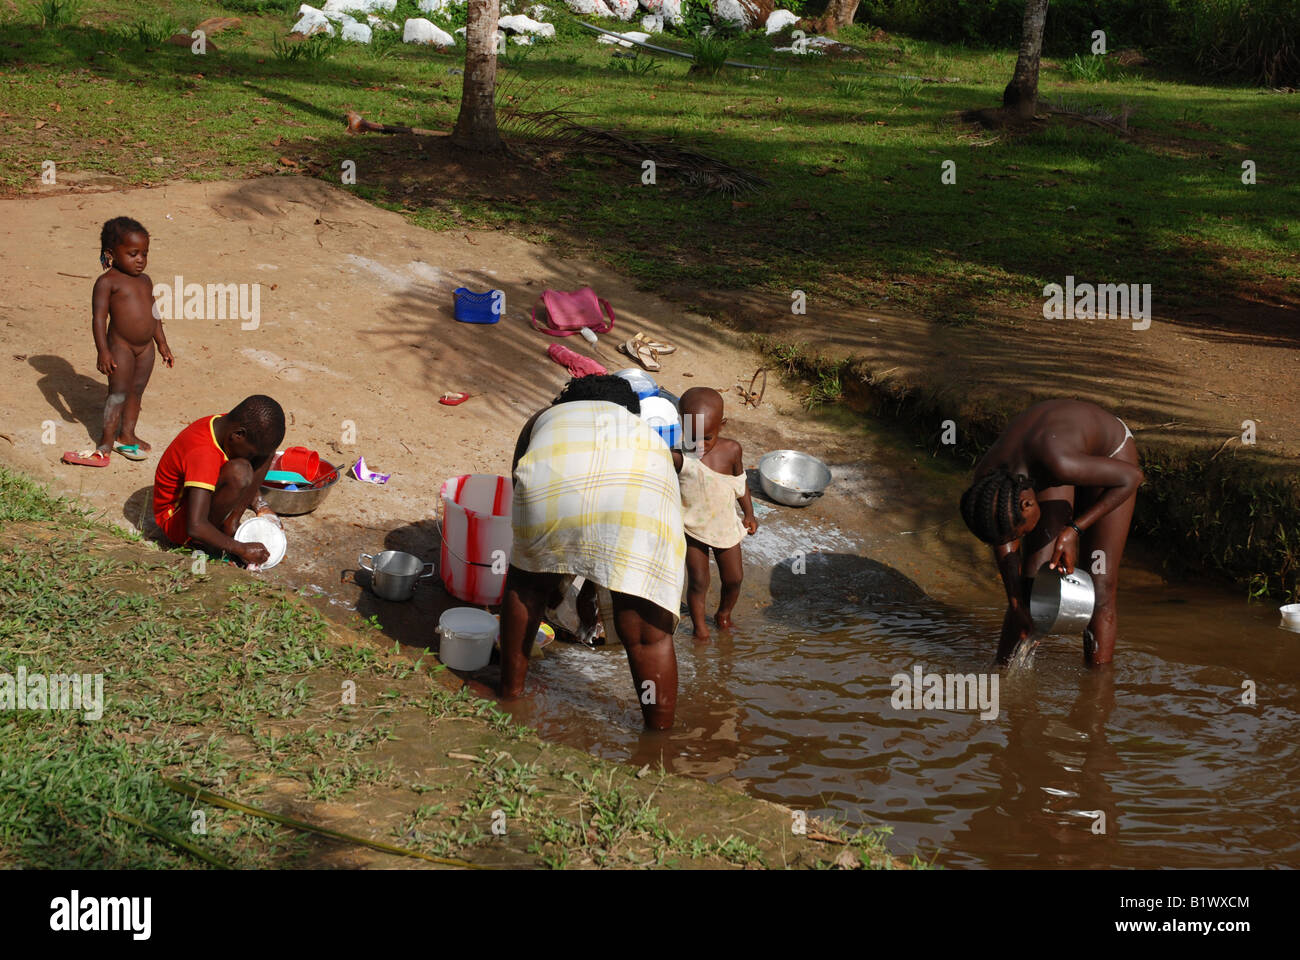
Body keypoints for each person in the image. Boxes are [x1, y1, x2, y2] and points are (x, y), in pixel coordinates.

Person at [498, 375, 686, 729]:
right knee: (648, 632)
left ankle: (510, 694)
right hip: (639, 502)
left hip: (551, 493)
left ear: (567, 402)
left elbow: (520, 483)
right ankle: (659, 739)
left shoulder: (544, 418)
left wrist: (550, 579)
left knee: (526, 586)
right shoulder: (646, 434)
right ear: (629, 411)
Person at [959, 399, 1143, 665]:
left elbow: (1133, 477)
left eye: (1020, 534)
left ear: (1028, 504)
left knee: (1100, 583)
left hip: (1111, 459)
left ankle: (1098, 684)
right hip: (1049, 460)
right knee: (1032, 584)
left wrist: (1073, 530)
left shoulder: (1059, 463)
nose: (1018, 541)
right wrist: (1015, 601)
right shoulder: (990, 486)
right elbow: (1003, 538)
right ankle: (1003, 673)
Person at [62, 217, 174, 467]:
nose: (141, 260)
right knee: (118, 394)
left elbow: (154, 313)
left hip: (145, 349)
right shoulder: (107, 283)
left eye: (145, 253)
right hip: (120, 347)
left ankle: (127, 434)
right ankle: (105, 443)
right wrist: (103, 351)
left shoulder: (145, 281)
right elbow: (99, 318)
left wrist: (162, 344)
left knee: (137, 392)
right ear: (111, 254)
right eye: (133, 253)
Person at [151, 395, 286, 567]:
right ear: (238, 435)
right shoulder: (203, 454)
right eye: (250, 453)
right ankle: (202, 544)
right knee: (240, 472)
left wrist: (261, 504)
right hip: (178, 524)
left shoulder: (230, 424)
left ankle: (231, 524)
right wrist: (240, 548)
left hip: (196, 505)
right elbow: (196, 526)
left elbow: (261, 448)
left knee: (266, 451)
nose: (253, 459)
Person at [677, 387, 758, 639]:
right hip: (693, 529)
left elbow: (740, 483)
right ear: (682, 425)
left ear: (722, 425)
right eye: (693, 438)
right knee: (699, 581)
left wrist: (749, 514)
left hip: (724, 525)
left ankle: (723, 614)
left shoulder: (732, 451)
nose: (699, 446)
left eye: (707, 438)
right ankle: (700, 628)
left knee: (734, 578)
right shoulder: (677, 456)